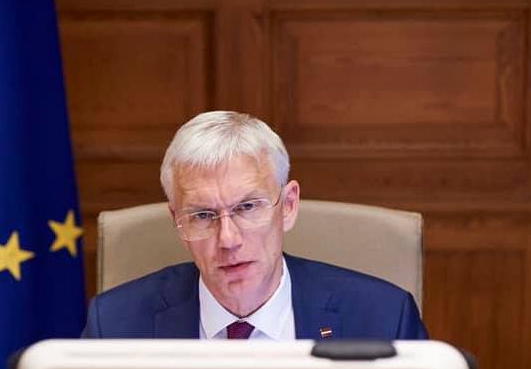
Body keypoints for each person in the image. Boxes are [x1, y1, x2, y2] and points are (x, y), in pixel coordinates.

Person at [82, 111, 427, 340]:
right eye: (203, 215)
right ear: (177, 222)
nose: (228, 240)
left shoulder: (383, 319)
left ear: (288, 206)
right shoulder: (114, 325)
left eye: (247, 207)